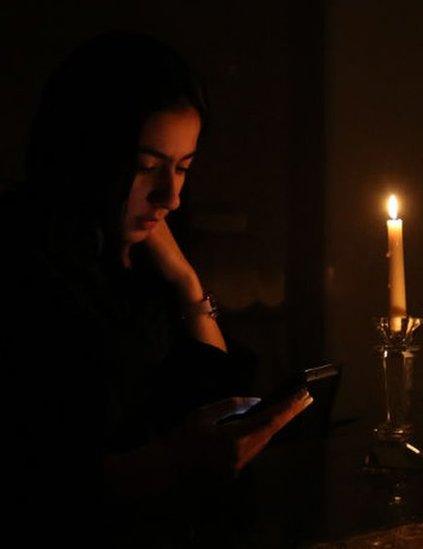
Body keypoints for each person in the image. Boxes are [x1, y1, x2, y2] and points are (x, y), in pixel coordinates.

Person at [2, 33, 311, 541]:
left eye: (183, 167)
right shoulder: (24, 268)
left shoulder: (149, 265)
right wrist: (166, 463)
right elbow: (39, 481)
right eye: (146, 167)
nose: (170, 195)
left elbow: (218, 403)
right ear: (88, 154)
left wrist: (186, 283)